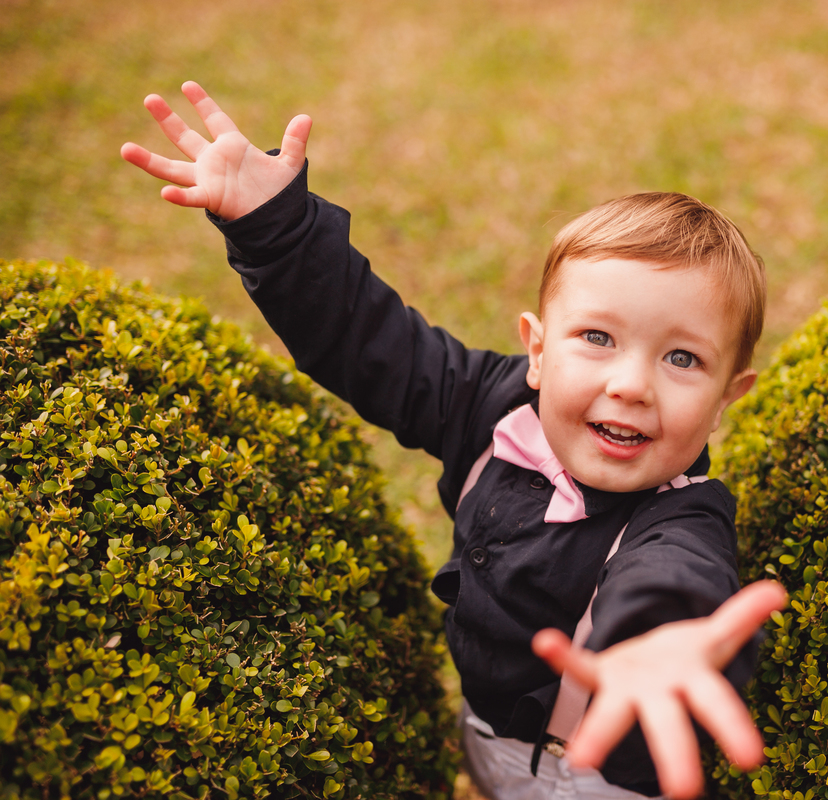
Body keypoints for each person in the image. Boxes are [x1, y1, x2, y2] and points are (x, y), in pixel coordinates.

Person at [121, 82, 787, 800]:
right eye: (597, 338)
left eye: (681, 359)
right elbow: (370, 343)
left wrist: (657, 643)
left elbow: (675, 577)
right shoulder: (492, 407)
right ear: (536, 351)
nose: (631, 384)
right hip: (485, 732)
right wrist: (276, 228)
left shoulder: (683, 515)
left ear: (727, 397)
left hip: (602, 778)